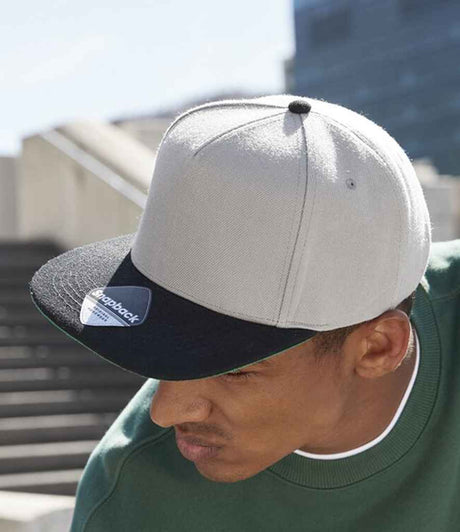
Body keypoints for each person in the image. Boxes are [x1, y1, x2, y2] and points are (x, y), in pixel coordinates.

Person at [29, 94, 460, 531]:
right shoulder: (135, 498)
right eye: (165, 346)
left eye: (233, 369)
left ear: (377, 348)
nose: (165, 411)